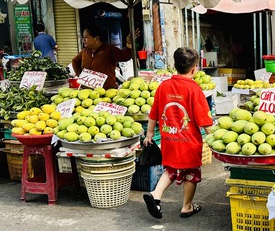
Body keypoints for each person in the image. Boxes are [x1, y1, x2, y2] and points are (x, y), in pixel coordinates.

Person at [142, 47, 213, 219]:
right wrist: (214, 139)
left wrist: (149, 133)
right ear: (194, 69)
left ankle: (156, 195)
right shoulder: (194, 89)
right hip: (189, 142)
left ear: (174, 65)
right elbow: (204, 120)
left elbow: (154, 112)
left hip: (168, 138)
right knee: (191, 173)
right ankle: (187, 206)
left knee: (171, 169)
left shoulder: (164, 86)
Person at [71, 25, 133, 90]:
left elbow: (125, 56)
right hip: (87, 91)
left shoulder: (110, 50)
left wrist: (128, 43)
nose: (83, 40)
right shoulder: (84, 51)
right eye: (83, 37)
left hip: (107, 90)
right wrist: (80, 75)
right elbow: (75, 61)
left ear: (96, 38)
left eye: (86, 37)